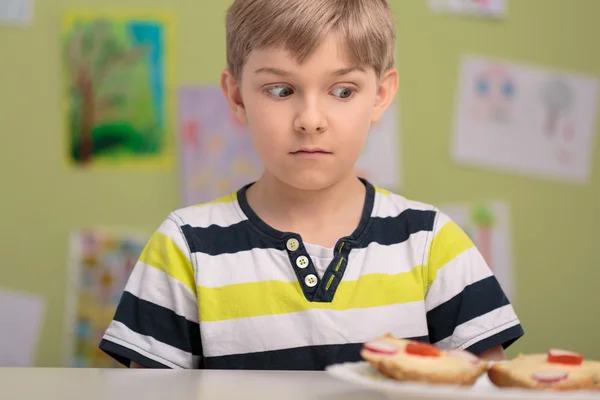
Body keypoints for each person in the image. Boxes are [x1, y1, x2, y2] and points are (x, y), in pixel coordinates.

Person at [99, 0, 524, 370]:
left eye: (342, 91)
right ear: (237, 97)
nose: (310, 119)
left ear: (380, 95)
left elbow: (484, 385)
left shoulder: (433, 244)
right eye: (281, 90)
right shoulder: (183, 248)